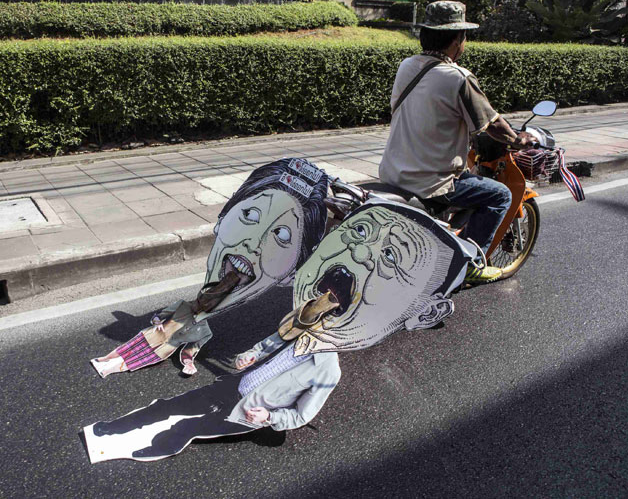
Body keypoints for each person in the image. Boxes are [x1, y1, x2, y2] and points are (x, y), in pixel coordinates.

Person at [92, 158, 329, 376]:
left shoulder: (202, 329)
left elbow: (190, 351)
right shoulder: (184, 309)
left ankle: (107, 367)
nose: (252, 244)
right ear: (223, 218)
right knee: (122, 357)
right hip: (149, 341)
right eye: (250, 214)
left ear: (292, 273)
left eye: (282, 234)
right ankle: (105, 364)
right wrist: (158, 323)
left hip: (157, 350)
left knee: (126, 361)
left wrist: (188, 363)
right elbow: (164, 318)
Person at [378, 0, 537, 284]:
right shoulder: (458, 78)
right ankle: (470, 264)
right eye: (464, 37)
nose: (464, 43)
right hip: (430, 182)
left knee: (466, 177)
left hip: (392, 172)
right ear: (456, 41)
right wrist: (518, 139)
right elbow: (492, 124)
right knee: (499, 195)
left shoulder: (407, 66)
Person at [82, 333, 340, 463]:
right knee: (168, 406)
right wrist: (246, 356)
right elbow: (263, 348)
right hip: (232, 385)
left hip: (248, 411)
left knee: (187, 427)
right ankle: (114, 428)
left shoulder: (328, 369)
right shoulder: (297, 330)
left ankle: (161, 446)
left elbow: (303, 415)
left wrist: (270, 416)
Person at [281, 198, 476, 356]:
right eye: (360, 230)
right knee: (499, 196)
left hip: (400, 175)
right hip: (434, 186)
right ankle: (478, 260)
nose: (359, 253)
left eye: (390, 257)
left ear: (427, 313)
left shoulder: (325, 374)